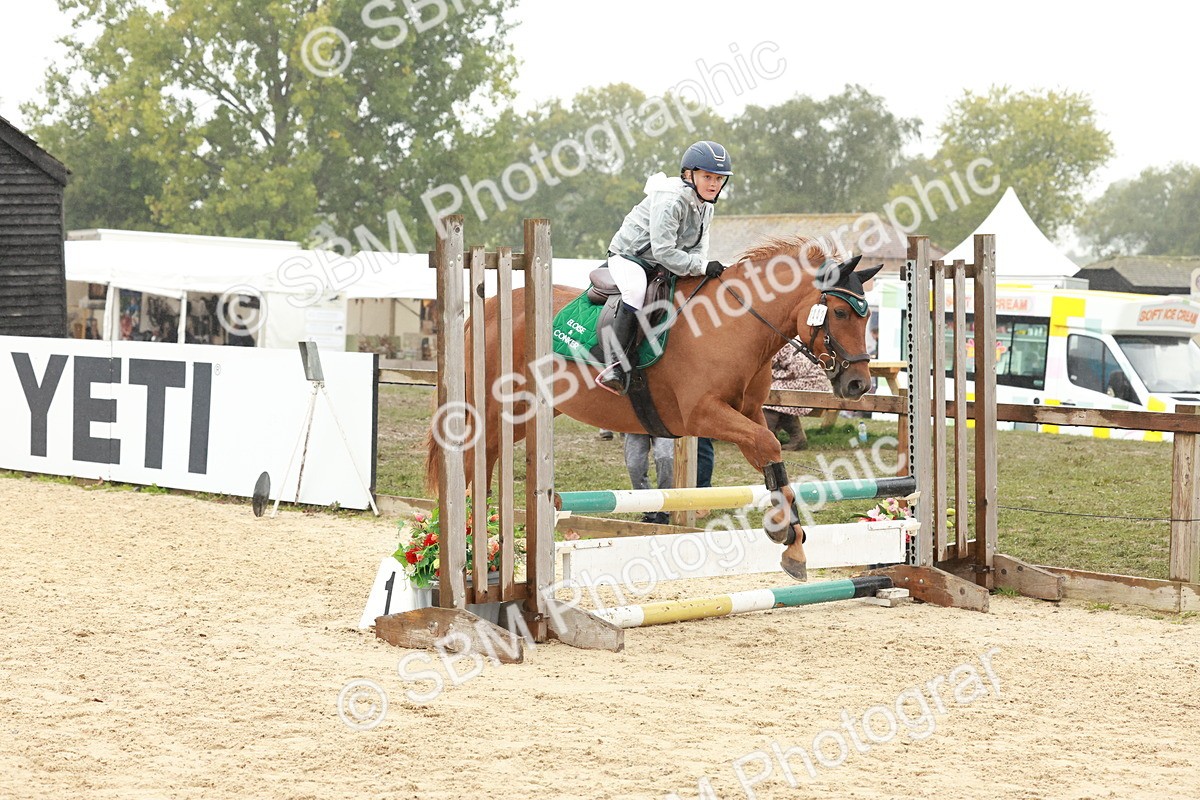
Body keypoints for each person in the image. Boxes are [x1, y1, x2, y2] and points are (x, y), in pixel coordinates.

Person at [596, 140, 734, 394]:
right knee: (635, 292)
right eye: (707, 177)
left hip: (664, 264)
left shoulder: (706, 206)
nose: (714, 184)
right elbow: (663, 250)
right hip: (631, 258)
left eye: (718, 178)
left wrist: (700, 265)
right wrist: (701, 266)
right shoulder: (671, 199)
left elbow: (698, 247)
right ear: (688, 174)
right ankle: (615, 365)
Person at [762, 346, 833, 451]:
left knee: (772, 394)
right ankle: (797, 439)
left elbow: (798, 369)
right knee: (778, 399)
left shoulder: (785, 349)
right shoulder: (782, 348)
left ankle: (767, 439)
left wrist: (775, 375)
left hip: (812, 381)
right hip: (801, 380)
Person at [625, 433, 673, 525]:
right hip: (636, 424)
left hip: (664, 424)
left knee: (665, 458)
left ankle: (665, 510)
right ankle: (649, 509)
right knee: (634, 464)